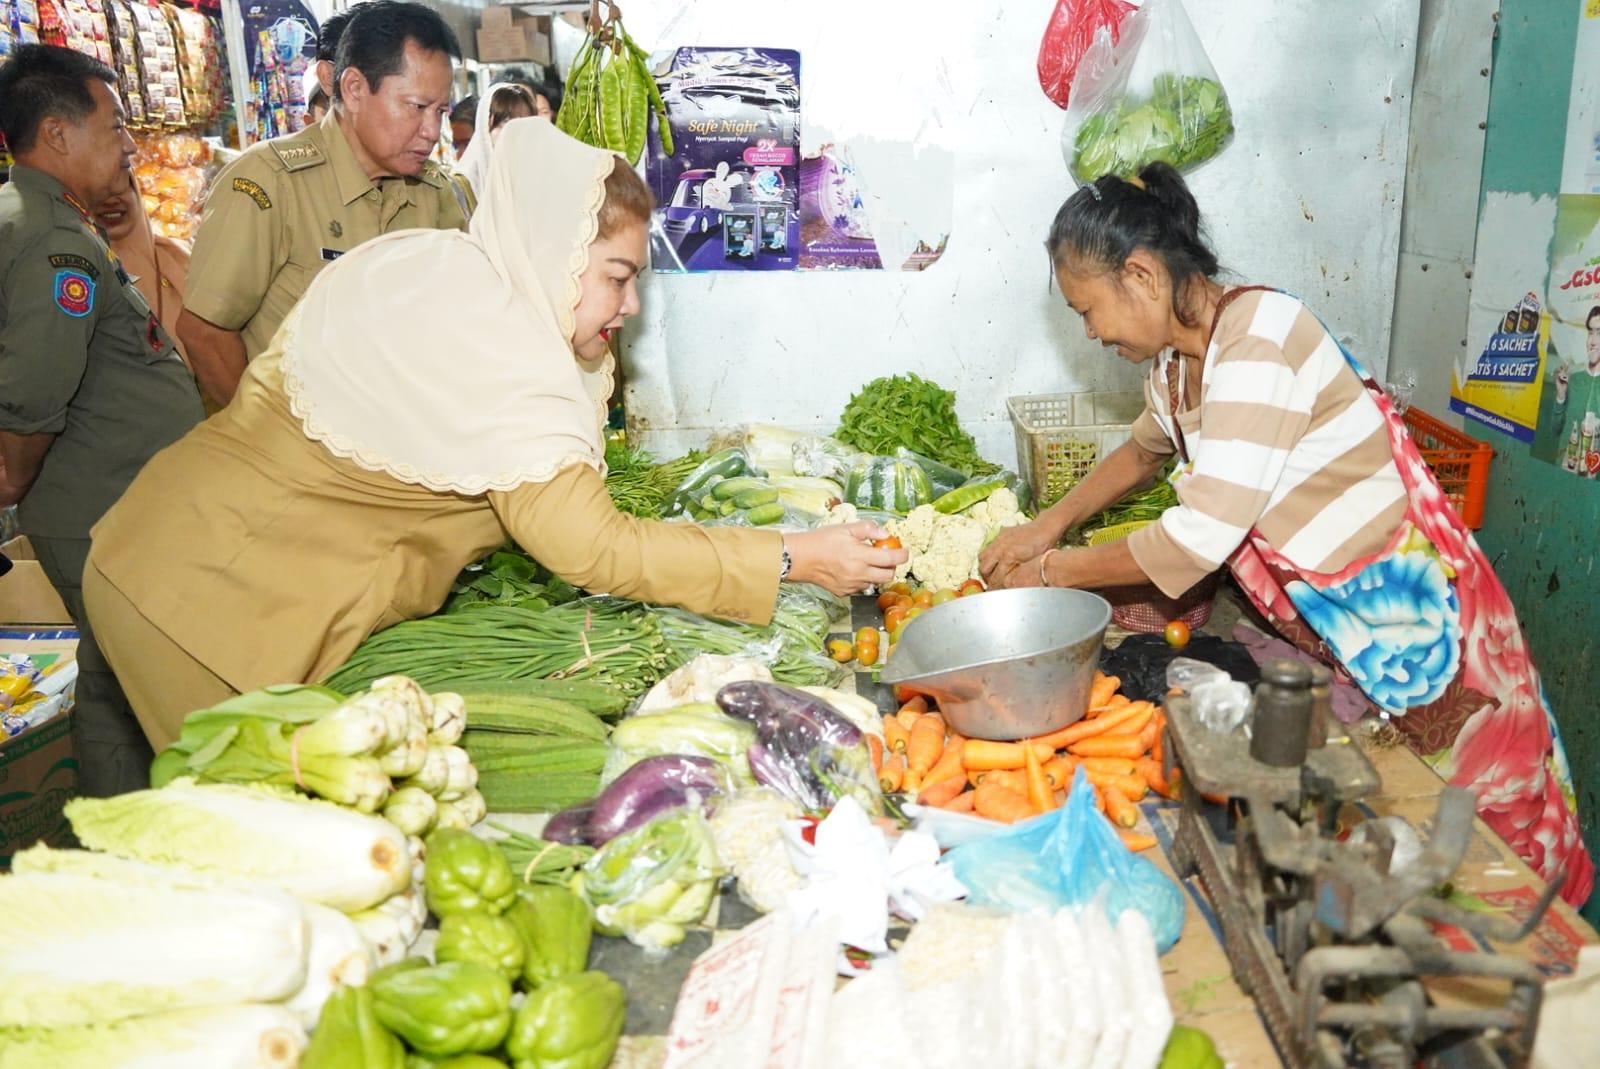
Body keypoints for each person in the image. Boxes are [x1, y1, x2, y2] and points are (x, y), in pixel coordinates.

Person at [83, 119, 905, 749]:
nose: (629, 310)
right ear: (553, 254)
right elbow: (599, 551)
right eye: (617, 279)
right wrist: (800, 557)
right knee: (250, 849)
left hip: (176, 544)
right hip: (200, 606)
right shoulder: (506, 348)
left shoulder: (442, 268)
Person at [980, 164, 1595, 907]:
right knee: (1418, 832)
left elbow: (1190, 543)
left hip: (1421, 629)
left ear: (1139, 275)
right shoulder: (1180, 367)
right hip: (1348, 631)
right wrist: (1048, 521)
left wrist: (1049, 571)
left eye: (1088, 309)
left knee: (1494, 831)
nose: (1091, 331)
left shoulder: (1259, 342)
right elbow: (1143, 451)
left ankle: (1564, 971)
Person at [0, 46, 206, 794]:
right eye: (114, 125)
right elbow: (33, 397)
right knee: (139, 677)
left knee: (112, 679)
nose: (128, 143)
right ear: (56, 134)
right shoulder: (56, 245)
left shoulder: (36, 219)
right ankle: (139, 825)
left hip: (109, 501)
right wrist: (14, 475)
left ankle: (115, 820)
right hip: (103, 509)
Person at [177, 0, 466, 409]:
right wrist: (269, 444)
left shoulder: (433, 193)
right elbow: (205, 333)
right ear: (353, 89)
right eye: (416, 108)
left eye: (440, 111)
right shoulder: (270, 183)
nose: (431, 131)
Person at [93, 172, 193, 368]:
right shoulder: (78, 274)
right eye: (97, 190)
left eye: (121, 187)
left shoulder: (176, 256)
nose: (111, 200)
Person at [452, 82, 538, 216]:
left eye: (523, 123)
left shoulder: (534, 180)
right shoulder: (461, 187)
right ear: (485, 127)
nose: (515, 131)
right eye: (505, 121)